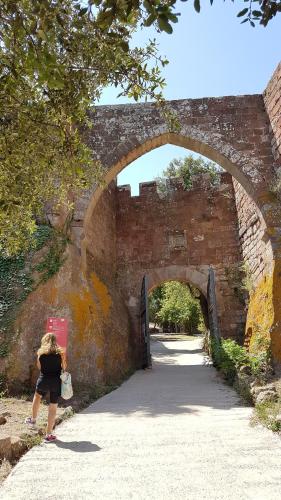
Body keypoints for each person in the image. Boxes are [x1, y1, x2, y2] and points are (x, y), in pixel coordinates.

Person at [25, 332, 66, 442]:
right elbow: (64, 367)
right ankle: (48, 435)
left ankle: (33, 420)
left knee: (37, 397)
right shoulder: (61, 353)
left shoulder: (40, 353)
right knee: (52, 407)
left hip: (43, 380)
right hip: (56, 383)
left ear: (45, 340)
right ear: (55, 341)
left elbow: (39, 367)